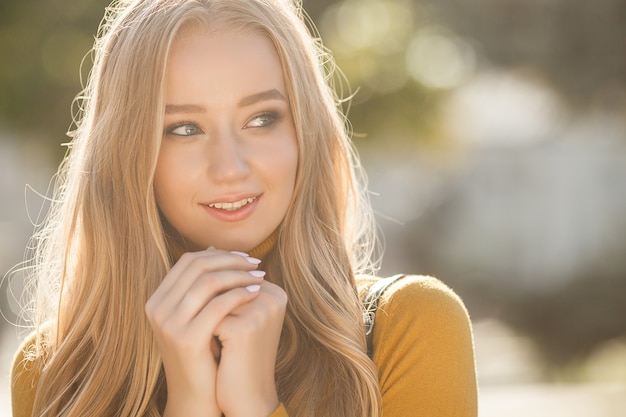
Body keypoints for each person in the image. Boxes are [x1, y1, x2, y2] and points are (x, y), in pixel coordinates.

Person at [10, 0, 478, 416]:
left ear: (304, 133)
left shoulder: (412, 326)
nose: (230, 168)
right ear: (127, 153)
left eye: (261, 119)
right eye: (184, 128)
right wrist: (189, 404)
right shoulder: (56, 370)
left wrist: (254, 404)